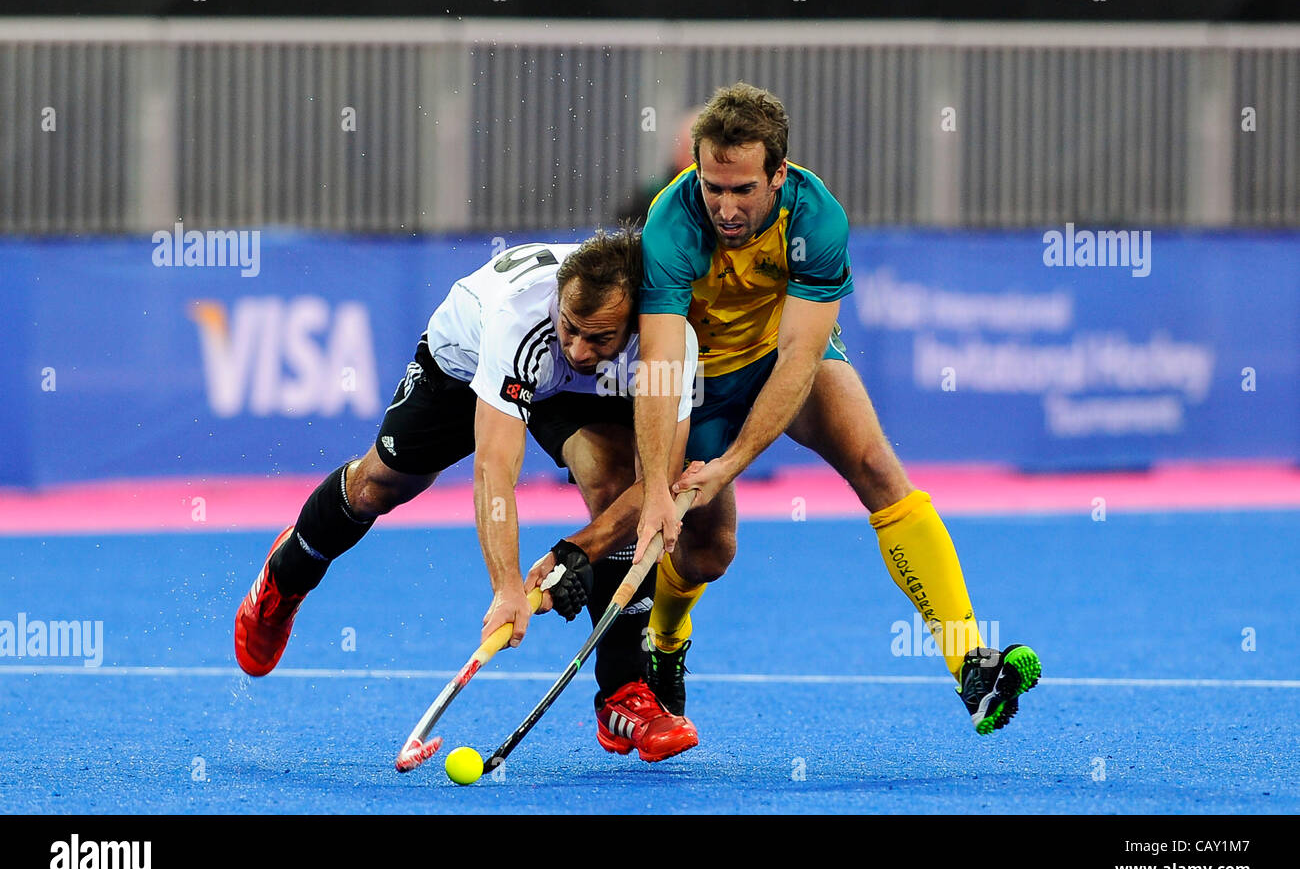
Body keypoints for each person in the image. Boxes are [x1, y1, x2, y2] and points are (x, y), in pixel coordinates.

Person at [632, 82, 1041, 735]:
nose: (725, 206)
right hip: (700, 378)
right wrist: (656, 487)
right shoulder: (670, 223)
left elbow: (798, 360)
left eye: (742, 189)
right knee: (710, 551)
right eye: (713, 186)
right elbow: (657, 365)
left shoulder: (816, 217)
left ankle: (970, 664)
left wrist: (734, 461)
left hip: (781, 348)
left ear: (778, 175)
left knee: (877, 465)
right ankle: (664, 639)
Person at [234, 228, 701, 762]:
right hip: (465, 367)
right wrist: (507, 587)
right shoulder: (522, 322)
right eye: (570, 328)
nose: (577, 348)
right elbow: (495, 471)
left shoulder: (669, 339)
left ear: (634, 321)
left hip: (591, 392)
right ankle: (286, 576)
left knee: (615, 482)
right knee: (379, 486)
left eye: (597, 338)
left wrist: (579, 552)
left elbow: (655, 486)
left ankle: (624, 695)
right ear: (559, 303)